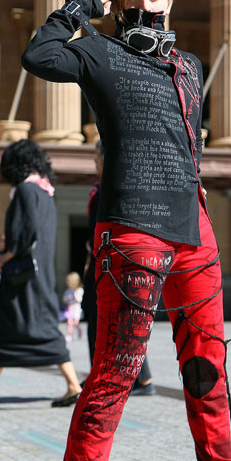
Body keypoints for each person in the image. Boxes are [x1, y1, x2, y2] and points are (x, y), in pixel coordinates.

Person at [22, 0, 231, 461]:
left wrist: (203, 216)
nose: (144, 7)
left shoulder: (188, 66)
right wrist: (80, 6)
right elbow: (38, 55)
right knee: (113, 375)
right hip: (129, 234)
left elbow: (189, 147)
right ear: (116, 1)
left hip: (193, 234)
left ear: (170, 0)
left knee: (205, 369)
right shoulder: (96, 53)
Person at [0, 140, 82, 411]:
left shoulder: (25, 190)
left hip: (19, 279)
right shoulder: (46, 193)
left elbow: (24, 232)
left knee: (2, 329)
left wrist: (6, 255)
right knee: (46, 329)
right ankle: (72, 385)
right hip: (40, 278)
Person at [82, 139, 156, 396]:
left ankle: (140, 380)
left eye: (97, 157)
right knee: (101, 320)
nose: (94, 162)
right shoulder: (101, 189)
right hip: (100, 264)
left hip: (114, 268)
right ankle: (102, 374)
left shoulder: (115, 189)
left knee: (116, 323)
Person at [63, 271, 84, 341]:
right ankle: (69, 335)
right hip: (70, 308)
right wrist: (67, 298)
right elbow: (64, 300)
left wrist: (74, 297)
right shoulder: (68, 291)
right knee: (69, 322)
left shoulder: (79, 290)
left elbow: (80, 300)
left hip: (77, 309)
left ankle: (79, 330)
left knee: (75, 323)